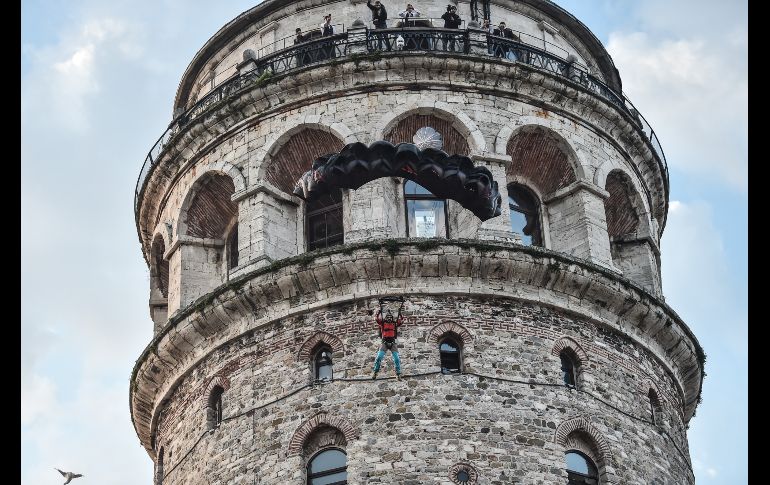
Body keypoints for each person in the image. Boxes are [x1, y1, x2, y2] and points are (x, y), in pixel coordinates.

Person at [371, 303, 404, 380]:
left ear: (392, 318)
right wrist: (379, 312)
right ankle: (375, 372)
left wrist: (400, 313)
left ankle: (398, 374)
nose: (389, 318)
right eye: (387, 317)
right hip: (384, 343)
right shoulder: (382, 324)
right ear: (386, 318)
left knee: (396, 359)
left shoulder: (394, 324)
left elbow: (402, 321)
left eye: (390, 317)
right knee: (379, 357)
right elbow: (376, 319)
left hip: (393, 343)